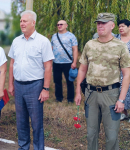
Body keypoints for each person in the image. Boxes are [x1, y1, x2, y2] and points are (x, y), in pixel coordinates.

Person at [75, 13, 130, 150]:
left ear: (112, 26)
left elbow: (127, 73)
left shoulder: (120, 46)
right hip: (91, 94)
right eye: (98, 22)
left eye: (104, 23)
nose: (100, 25)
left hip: (111, 95)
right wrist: (77, 92)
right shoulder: (90, 44)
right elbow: (82, 70)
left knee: (111, 137)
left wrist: (121, 100)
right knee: (90, 135)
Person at [8, 10, 54, 150]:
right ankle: (23, 147)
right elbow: (12, 63)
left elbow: (48, 66)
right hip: (18, 85)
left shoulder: (42, 41)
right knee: (21, 120)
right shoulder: (16, 41)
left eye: (25, 21)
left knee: (36, 121)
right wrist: (10, 84)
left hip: (35, 85)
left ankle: (39, 147)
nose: (22, 23)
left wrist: (45, 89)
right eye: (21, 21)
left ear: (33, 23)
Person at [51, 20, 78, 103]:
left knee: (69, 81)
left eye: (61, 24)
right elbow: (51, 49)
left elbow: (75, 49)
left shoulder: (71, 36)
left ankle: (70, 99)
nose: (59, 26)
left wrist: (74, 62)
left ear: (66, 25)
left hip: (68, 63)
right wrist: (50, 62)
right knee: (57, 81)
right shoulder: (54, 36)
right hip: (56, 63)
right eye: (58, 24)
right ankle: (58, 98)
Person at [114, 19, 130, 121]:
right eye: (119, 27)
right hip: (118, 70)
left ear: (129, 27)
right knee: (121, 90)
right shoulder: (115, 38)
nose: (120, 28)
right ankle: (124, 112)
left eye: (123, 26)